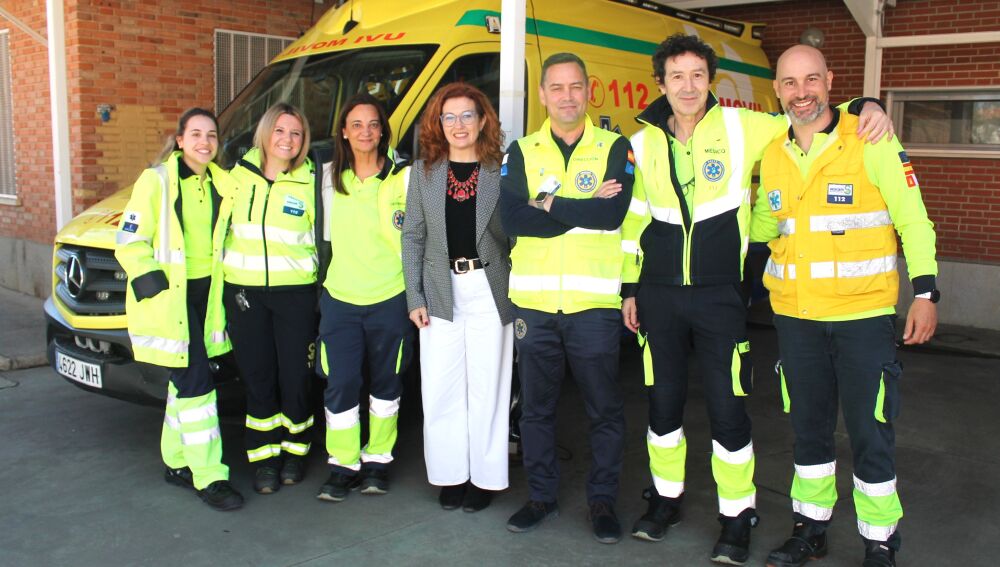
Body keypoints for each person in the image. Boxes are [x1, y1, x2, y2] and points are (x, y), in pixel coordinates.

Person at [620, 33, 893, 564]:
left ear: (710, 80)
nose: (688, 87)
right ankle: (665, 501)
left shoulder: (743, 126)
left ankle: (737, 515)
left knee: (728, 409)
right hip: (658, 296)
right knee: (662, 407)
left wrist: (866, 104)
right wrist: (630, 287)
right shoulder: (643, 141)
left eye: (698, 76)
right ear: (661, 83)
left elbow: (808, 109)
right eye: (677, 77)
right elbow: (635, 219)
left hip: (721, 296)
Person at [754, 45, 938, 567]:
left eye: (811, 79)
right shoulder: (773, 152)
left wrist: (925, 294)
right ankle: (810, 528)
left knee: (869, 432)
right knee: (809, 430)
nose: (802, 92)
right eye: (790, 83)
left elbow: (913, 218)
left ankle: (879, 542)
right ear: (777, 90)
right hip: (797, 319)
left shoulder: (870, 136)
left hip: (862, 319)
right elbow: (767, 225)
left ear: (830, 81)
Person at [499, 52, 634, 544]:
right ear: (542, 94)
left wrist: (548, 203)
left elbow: (612, 215)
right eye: (556, 87)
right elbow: (512, 219)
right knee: (535, 410)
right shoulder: (521, 151)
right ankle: (541, 497)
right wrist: (583, 208)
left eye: (575, 86)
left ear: (589, 90)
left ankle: (602, 502)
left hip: (593, 306)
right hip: (534, 306)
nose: (567, 96)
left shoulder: (615, 147)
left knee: (604, 410)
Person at [115, 108, 243, 511]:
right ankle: (209, 477)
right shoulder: (156, 181)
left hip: (209, 298)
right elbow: (129, 240)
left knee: (184, 383)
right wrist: (150, 281)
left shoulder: (224, 183)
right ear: (180, 139)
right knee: (197, 384)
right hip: (173, 300)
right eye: (196, 134)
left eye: (212, 135)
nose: (205, 142)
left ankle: (175, 461)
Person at [401, 83, 513, 513]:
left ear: (483, 120)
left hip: (489, 289)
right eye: (449, 117)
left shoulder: (501, 171)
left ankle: (484, 479)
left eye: (467, 115)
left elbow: (514, 235)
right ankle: (450, 476)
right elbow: (413, 236)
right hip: (439, 289)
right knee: (441, 388)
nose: (458, 124)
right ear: (438, 124)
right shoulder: (424, 173)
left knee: (488, 388)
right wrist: (415, 295)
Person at [315, 93, 413, 502]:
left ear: (382, 130)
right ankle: (343, 465)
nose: (365, 132)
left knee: (386, 383)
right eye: (356, 124)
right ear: (343, 131)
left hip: (391, 296)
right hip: (340, 298)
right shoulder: (326, 177)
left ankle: (377, 462)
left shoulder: (404, 176)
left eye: (373, 124)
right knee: (340, 384)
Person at [222, 103, 317, 495]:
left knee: (296, 378)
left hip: (296, 296)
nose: (287, 140)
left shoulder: (313, 182)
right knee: (258, 378)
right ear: (264, 133)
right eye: (280, 130)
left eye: (295, 133)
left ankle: (295, 453)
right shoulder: (235, 177)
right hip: (245, 296)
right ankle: (264, 459)